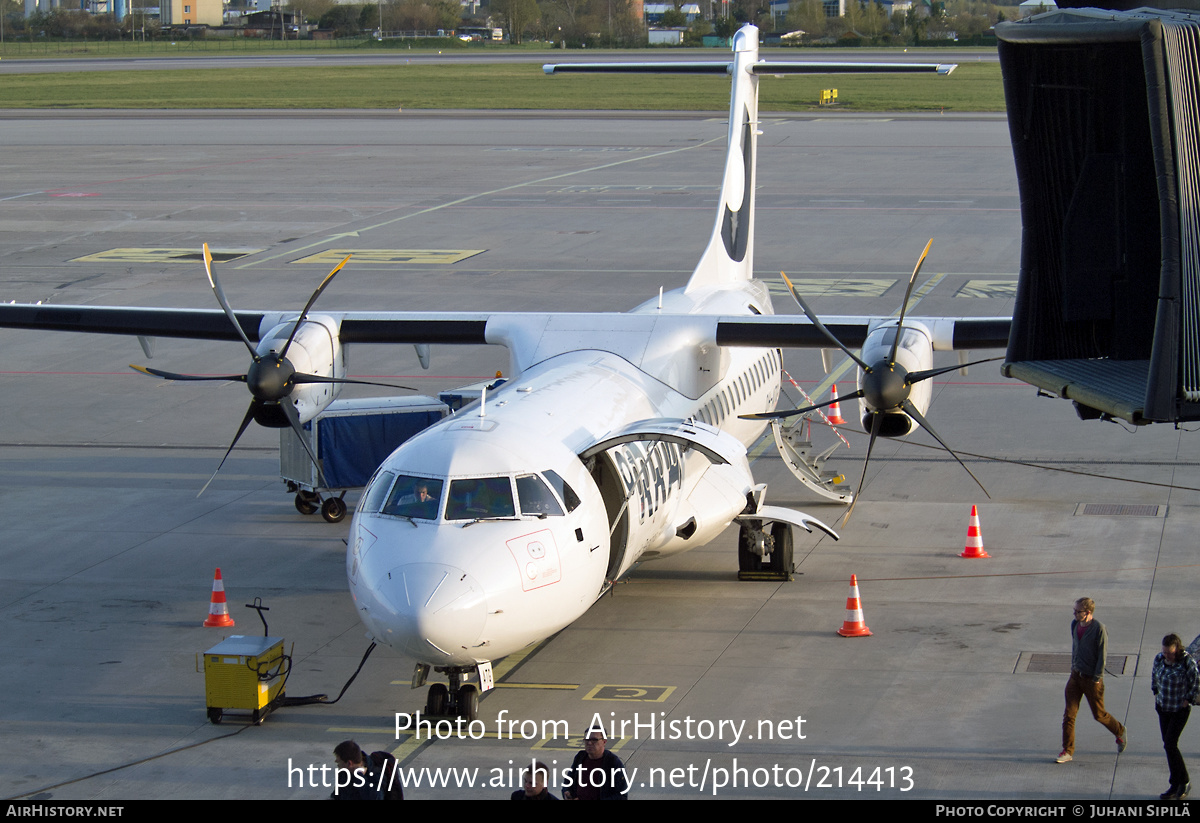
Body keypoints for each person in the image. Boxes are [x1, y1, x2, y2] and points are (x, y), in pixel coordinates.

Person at [1057, 598, 1128, 763]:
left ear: (1088, 613)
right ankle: (1067, 751)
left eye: (1078, 611)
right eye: (1074, 610)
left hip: (1092, 680)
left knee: (1099, 714)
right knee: (1069, 714)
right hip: (1075, 676)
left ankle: (1119, 730)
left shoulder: (1099, 629)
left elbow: (1102, 656)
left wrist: (1096, 678)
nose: (1074, 614)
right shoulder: (1074, 625)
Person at [1151, 633, 1198, 799]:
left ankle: (1184, 781)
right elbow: (1155, 675)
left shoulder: (1187, 662)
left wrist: (1187, 700)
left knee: (1170, 744)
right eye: (1165, 652)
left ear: (1177, 649)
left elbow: (1195, 682)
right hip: (1163, 708)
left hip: (1179, 710)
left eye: (1170, 653)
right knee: (1168, 745)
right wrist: (1155, 692)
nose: (1167, 656)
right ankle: (1175, 784)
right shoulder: (1159, 659)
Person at [563, 730, 628, 800]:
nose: (589, 743)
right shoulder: (580, 757)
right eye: (587, 740)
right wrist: (567, 792)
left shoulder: (613, 762)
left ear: (604, 742)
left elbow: (622, 796)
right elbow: (568, 781)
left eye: (594, 740)